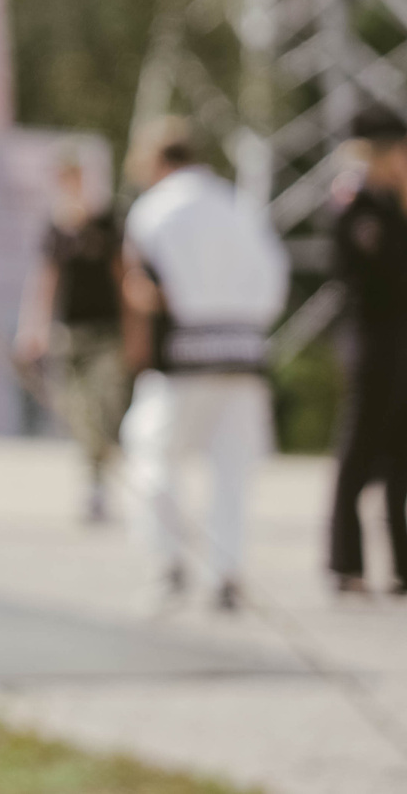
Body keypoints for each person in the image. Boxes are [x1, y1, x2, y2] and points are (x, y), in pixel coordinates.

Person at [118, 118, 288, 611]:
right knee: (232, 467)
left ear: (156, 160)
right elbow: (273, 278)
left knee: (152, 455)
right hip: (244, 352)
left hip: (183, 355)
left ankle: (167, 562)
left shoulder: (153, 211)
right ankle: (226, 572)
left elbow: (144, 289)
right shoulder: (236, 204)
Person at [17, 150, 128, 522]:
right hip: (68, 332)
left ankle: (97, 475)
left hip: (105, 331)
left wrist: (135, 332)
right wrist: (33, 328)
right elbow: (45, 281)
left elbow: (122, 277)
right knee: (77, 410)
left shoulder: (106, 224)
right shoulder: (55, 231)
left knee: (104, 405)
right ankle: (93, 477)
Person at [327, 107, 407, 594]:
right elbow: (378, 274)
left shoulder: (392, 200)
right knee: (358, 450)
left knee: (402, 454)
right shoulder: (354, 200)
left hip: (399, 336)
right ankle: (346, 563)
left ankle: (402, 564)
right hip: (370, 337)